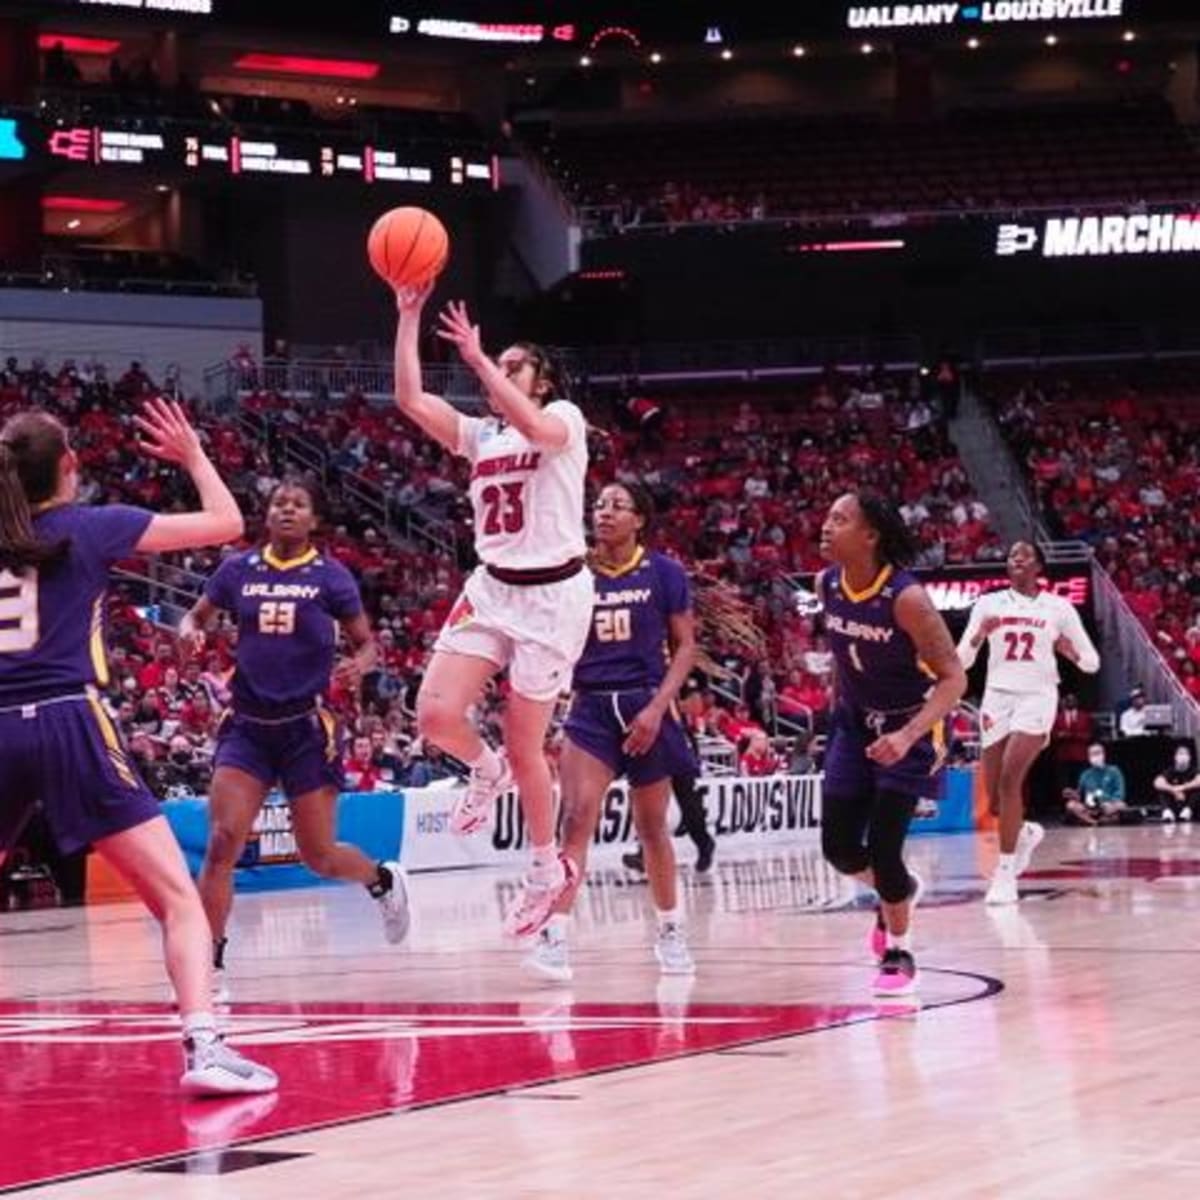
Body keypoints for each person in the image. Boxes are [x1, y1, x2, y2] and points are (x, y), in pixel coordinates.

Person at [0, 401, 276, 1095]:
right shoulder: (92, 527)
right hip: (70, 719)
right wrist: (191, 456)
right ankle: (205, 1047)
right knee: (177, 898)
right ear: (69, 464)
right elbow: (228, 524)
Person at [393, 283, 593, 938]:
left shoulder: (564, 418)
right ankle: (484, 772)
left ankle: (545, 867)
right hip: (493, 588)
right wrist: (409, 315)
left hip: (553, 596)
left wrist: (479, 362)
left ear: (544, 379)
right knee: (434, 714)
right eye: (497, 366)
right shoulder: (483, 436)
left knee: (526, 740)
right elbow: (410, 400)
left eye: (515, 367)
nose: (501, 373)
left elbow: (535, 427)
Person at [179, 477, 409, 1001]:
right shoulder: (238, 569)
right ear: (267, 513)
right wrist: (190, 629)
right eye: (279, 502)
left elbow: (367, 644)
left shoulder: (331, 577)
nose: (286, 509)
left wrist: (360, 665)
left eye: (298, 504)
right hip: (247, 728)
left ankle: (381, 880)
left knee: (319, 856)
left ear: (314, 520)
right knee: (220, 844)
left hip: (307, 729)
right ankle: (209, 964)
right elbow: (197, 613)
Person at [525, 482, 699, 982]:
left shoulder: (665, 571)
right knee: (576, 818)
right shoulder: (574, 573)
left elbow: (685, 647)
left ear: (640, 519)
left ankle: (670, 930)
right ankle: (554, 935)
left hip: (647, 700)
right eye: (600, 505)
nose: (605, 512)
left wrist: (657, 709)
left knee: (651, 829)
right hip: (591, 707)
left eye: (618, 505)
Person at [818, 491, 966, 997]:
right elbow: (843, 654)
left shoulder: (907, 599)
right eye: (827, 517)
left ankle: (899, 950)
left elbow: (953, 680)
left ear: (870, 536)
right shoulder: (826, 584)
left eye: (839, 519)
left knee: (884, 846)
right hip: (854, 725)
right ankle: (898, 889)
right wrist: (838, 707)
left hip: (912, 728)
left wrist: (906, 736)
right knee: (838, 848)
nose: (825, 526)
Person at [957, 541, 1100, 905]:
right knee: (993, 801)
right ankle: (1023, 834)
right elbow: (962, 661)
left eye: (1024, 555)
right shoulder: (989, 603)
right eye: (1011, 555)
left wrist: (1072, 653)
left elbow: (1092, 662)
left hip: (1037, 697)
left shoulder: (1059, 608)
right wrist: (977, 636)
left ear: (1039, 567)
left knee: (1010, 779)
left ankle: (1005, 876)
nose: (1015, 559)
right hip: (997, 697)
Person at [1064, 742, 1128, 825]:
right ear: (1089, 757)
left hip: (1108, 806)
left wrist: (1107, 802)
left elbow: (1120, 794)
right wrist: (1073, 794)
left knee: (1121, 805)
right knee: (1070, 805)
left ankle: (1099, 820)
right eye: (1092, 754)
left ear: (1104, 754)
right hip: (1089, 808)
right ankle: (1093, 821)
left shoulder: (1114, 771)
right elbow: (1080, 795)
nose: (1096, 756)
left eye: (1098, 753)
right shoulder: (1085, 774)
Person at [1154, 743, 1200, 823]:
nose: (1183, 757)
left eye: (1185, 754)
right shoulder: (1170, 771)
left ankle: (1187, 811)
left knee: (1197, 790)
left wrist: (1182, 788)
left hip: (1189, 802)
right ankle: (1167, 813)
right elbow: (1157, 783)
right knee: (1162, 791)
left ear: (1189, 758)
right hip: (1174, 801)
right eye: (1180, 754)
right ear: (1175, 757)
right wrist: (1173, 790)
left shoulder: (1194, 770)